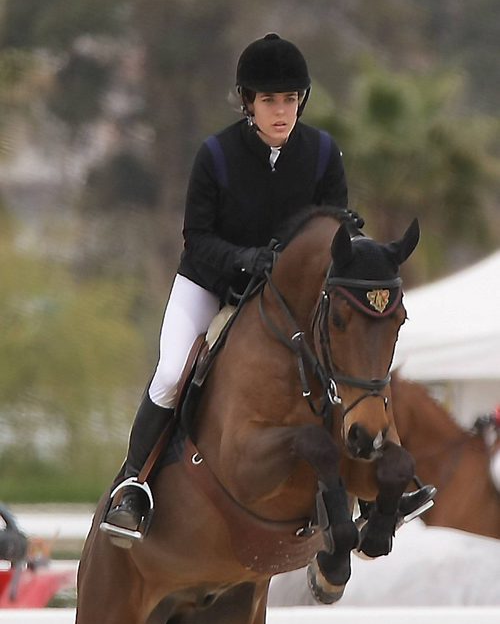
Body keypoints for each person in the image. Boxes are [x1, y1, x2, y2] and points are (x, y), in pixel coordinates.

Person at [102, 32, 433, 543]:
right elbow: (197, 238)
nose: (281, 112)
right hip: (213, 282)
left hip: (288, 294)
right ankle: (134, 485)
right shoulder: (215, 156)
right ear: (248, 104)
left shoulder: (323, 153)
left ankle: (379, 484)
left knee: (347, 359)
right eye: (269, 101)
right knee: (171, 371)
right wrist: (243, 258)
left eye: (289, 100)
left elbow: (335, 231)